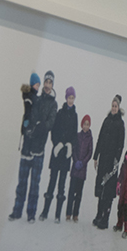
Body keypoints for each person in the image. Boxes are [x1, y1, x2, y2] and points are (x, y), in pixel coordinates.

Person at [9, 70, 57, 222]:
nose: (48, 85)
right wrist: (25, 127)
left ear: (53, 85)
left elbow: (50, 123)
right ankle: (17, 211)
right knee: (22, 181)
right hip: (27, 146)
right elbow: (27, 114)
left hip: (39, 149)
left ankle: (31, 214)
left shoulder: (53, 104)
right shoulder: (36, 97)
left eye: (50, 82)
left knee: (34, 185)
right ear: (43, 83)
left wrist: (39, 127)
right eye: (46, 82)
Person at [42, 85, 78, 222]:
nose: (70, 100)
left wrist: (70, 145)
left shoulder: (75, 116)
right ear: (66, 98)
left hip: (66, 156)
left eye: (72, 98)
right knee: (52, 182)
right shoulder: (59, 113)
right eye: (69, 97)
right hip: (57, 154)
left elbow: (74, 135)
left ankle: (57, 214)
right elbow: (54, 131)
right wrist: (57, 144)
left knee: (62, 185)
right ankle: (45, 212)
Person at [92, 95, 126, 230]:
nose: (113, 108)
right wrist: (96, 156)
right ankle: (98, 215)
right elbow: (100, 138)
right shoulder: (106, 121)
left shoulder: (120, 124)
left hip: (112, 163)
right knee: (101, 188)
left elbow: (120, 144)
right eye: (112, 106)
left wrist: (116, 160)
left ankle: (105, 219)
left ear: (119, 108)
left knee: (108, 191)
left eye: (116, 106)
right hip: (103, 160)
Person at [67, 114, 94, 221]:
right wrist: (76, 160)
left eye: (87, 124)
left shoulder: (90, 138)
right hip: (75, 168)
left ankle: (75, 214)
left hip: (82, 170)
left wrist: (83, 162)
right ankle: (68, 213)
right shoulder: (77, 136)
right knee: (71, 192)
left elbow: (90, 152)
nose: (86, 126)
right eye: (84, 124)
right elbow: (74, 149)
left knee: (78, 193)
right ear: (82, 125)